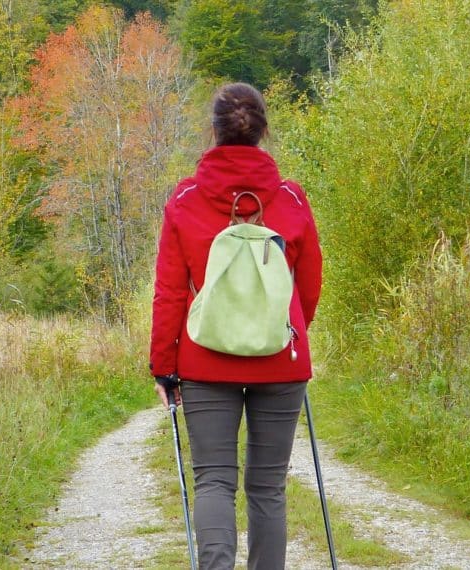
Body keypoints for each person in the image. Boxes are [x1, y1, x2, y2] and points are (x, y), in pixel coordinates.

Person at [149, 82, 323, 570]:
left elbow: (170, 292)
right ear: (264, 131)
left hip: (205, 360)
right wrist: (285, 331)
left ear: (215, 131)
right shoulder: (291, 198)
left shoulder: (185, 198)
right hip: (281, 361)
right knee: (268, 487)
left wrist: (164, 366)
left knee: (214, 481)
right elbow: (308, 286)